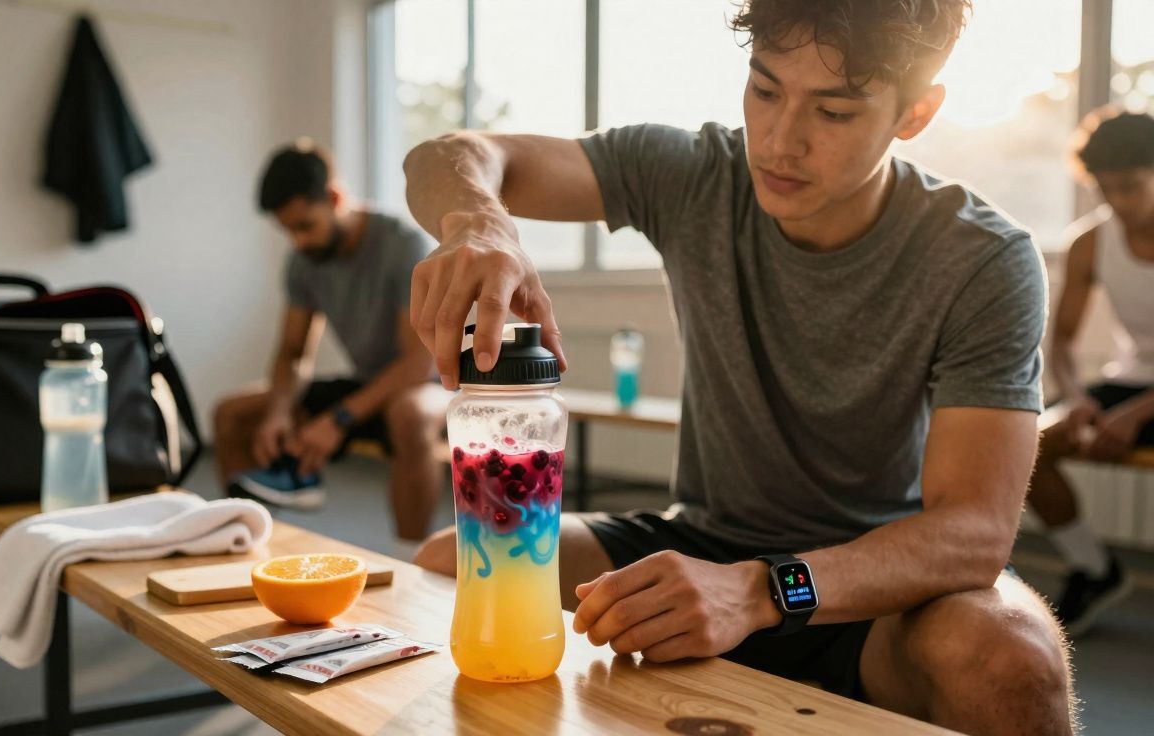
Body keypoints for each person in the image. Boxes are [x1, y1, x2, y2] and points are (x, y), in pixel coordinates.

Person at [404, 1, 1075, 733]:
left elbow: (973, 533)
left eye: (835, 111)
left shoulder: (985, 258)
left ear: (914, 113)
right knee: (453, 565)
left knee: (1013, 662)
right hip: (703, 543)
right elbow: (446, 155)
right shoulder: (694, 174)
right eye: (765, 90)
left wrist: (760, 592)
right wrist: (479, 220)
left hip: (872, 587)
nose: (781, 141)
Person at [214, 142, 449, 556]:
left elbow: (417, 362)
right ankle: (241, 544)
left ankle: (409, 561)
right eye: (288, 230)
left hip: (438, 382)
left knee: (408, 414)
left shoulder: (402, 244)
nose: (298, 240)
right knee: (231, 414)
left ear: (336, 198)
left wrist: (338, 419)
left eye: (305, 225)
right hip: (370, 384)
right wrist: (279, 411)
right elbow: (292, 352)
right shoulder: (303, 260)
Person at [1027, 109, 1154, 635]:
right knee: (1027, 449)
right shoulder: (1090, 242)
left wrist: (1132, 417)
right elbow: (1060, 347)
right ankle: (1095, 570)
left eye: (1132, 187)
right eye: (1107, 190)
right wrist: (1078, 396)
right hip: (1127, 381)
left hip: (1139, 402)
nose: (1119, 202)